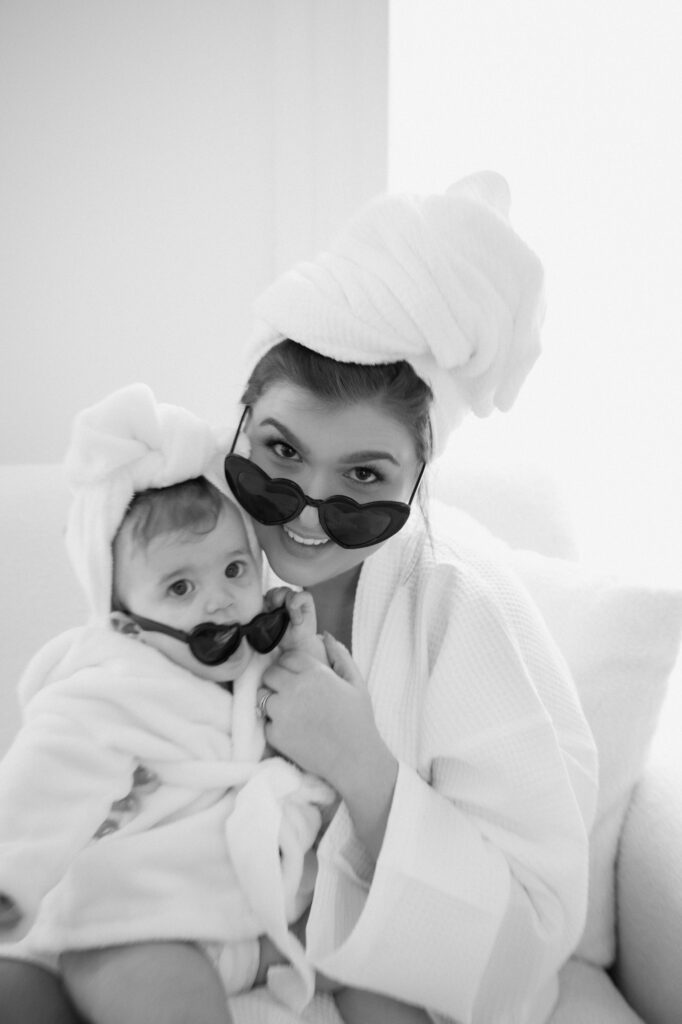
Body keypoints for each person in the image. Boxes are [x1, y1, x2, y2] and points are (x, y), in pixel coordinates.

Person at [0, 170, 599, 1024]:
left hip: (335, 960)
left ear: (421, 481)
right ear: (238, 422)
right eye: (278, 454)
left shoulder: (466, 613)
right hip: (156, 914)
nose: (309, 514)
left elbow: (533, 924)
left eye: (363, 477)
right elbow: (100, 707)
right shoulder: (202, 540)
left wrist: (362, 761)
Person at [0, 383, 337, 1024]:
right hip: (137, 924)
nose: (219, 602)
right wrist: (9, 873)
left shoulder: (262, 657)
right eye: (181, 586)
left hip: (257, 920)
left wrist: (302, 655)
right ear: (127, 625)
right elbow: (47, 775)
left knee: (379, 963)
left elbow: (313, 747)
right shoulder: (112, 689)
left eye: (234, 570)